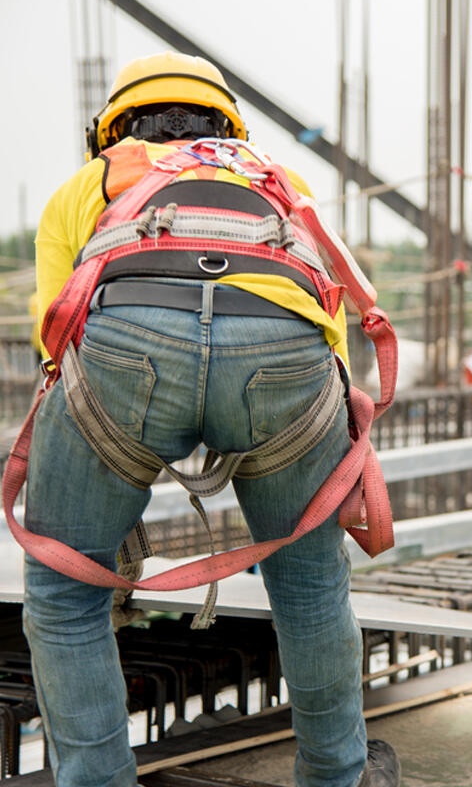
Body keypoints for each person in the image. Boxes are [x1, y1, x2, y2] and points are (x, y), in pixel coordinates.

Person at [21, 51, 400, 786]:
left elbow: (55, 338)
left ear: (112, 129)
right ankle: (338, 778)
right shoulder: (279, 185)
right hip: (284, 356)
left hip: (127, 350)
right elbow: (331, 326)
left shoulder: (89, 185)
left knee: (66, 594)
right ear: (228, 126)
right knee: (311, 584)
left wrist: (104, 462)